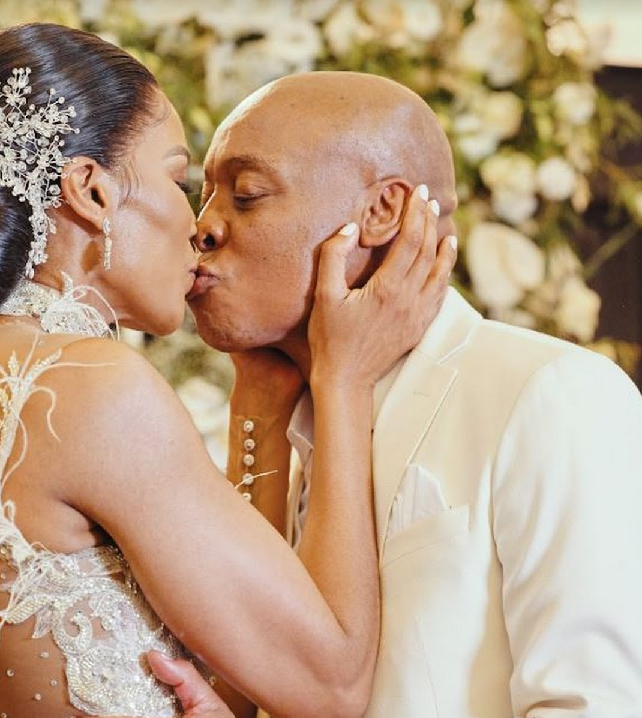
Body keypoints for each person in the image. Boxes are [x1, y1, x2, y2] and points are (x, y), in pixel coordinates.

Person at [0, 23, 455, 718]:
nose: (198, 225)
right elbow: (330, 683)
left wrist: (257, 409)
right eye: (178, 178)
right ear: (91, 192)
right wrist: (343, 381)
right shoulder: (84, 385)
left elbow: (244, 670)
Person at [189, 70, 642, 717]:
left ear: (381, 213)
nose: (203, 226)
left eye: (246, 195)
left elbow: (594, 703)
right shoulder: (278, 419)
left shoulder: (551, 391)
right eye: (204, 195)